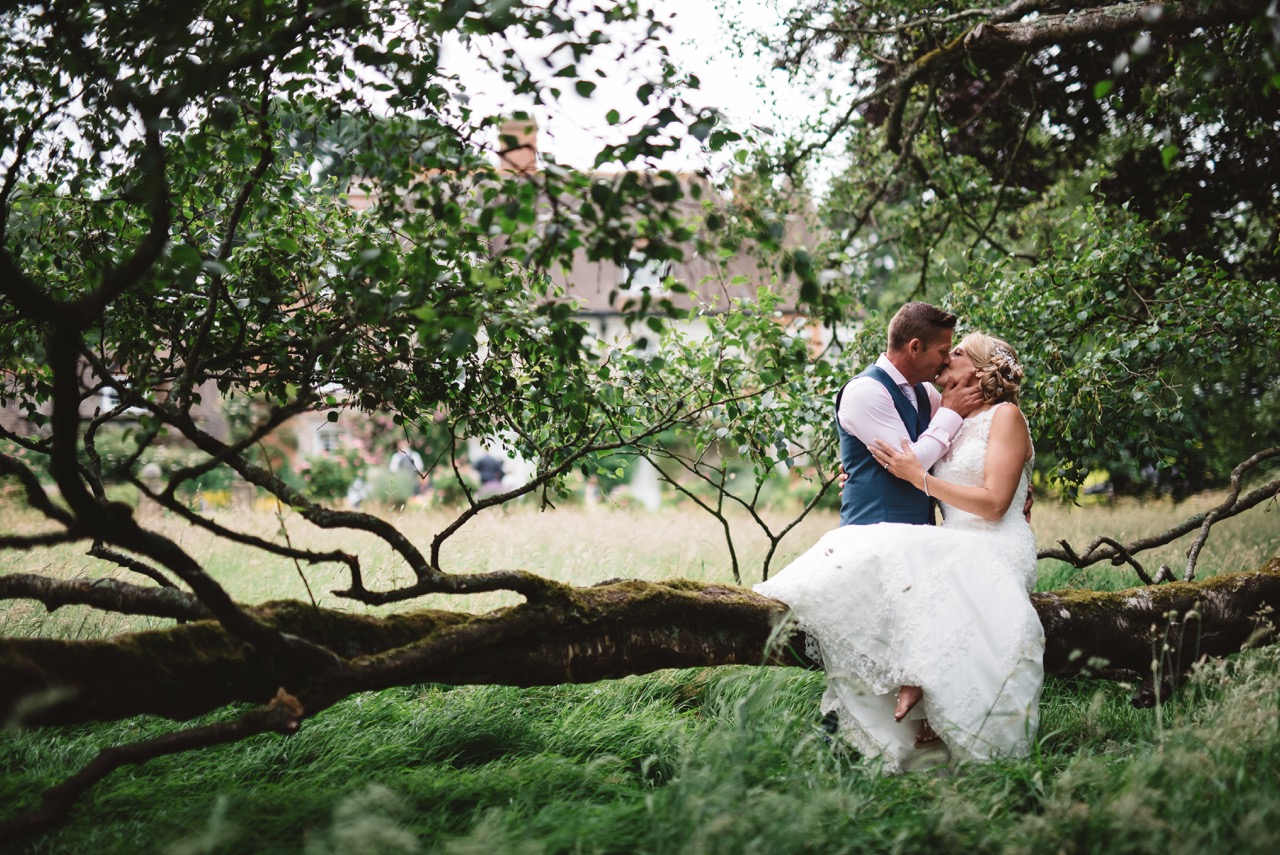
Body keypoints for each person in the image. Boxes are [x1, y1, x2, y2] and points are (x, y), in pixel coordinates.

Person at [754, 332, 1044, 772]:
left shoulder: (1005, 416)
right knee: (897, 559)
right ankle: (915, 688)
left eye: (958, 352)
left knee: (904, 548)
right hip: (959, 542)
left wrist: (919, 478)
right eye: (945, 349)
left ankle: (922, 691)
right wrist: (857, 470)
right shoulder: (951, 414)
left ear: (983, 369)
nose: (946, 357)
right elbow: (901, 443)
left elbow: (994, 503)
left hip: (994, 542)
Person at [836, 302, 983, 526]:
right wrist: (950, 412)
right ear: (915, 347)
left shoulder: (925, 391)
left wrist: (1009, 483)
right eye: (943, 351)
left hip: (922, 535)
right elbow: (912, 463)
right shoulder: (865, 391)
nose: (947, 360)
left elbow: (953, 446)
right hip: (874, 534)